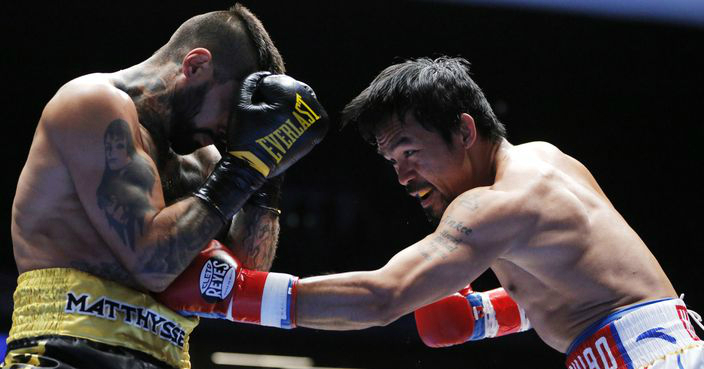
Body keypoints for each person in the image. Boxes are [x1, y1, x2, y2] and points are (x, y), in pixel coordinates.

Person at [158, 56, 703, 369]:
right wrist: (491, 313)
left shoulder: (492, 206)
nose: (402, 176)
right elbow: (585, 283)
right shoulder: (547, 160)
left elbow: (382, 297)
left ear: (466, 130)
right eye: (392, 159)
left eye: (410, 151)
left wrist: (236, 295)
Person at [5, 4, 328, 369]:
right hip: (67, 349)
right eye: (232, 113)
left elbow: (234, 282)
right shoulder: (92, 104)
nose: (231, 132)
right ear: (195, 66)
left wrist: (267, 177)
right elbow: (151, 262)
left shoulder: (205, 162)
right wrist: (242, 171)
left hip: (167, 357)